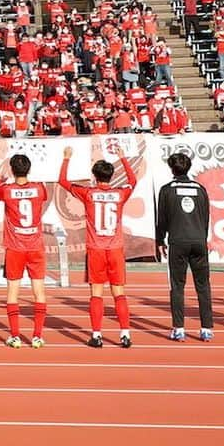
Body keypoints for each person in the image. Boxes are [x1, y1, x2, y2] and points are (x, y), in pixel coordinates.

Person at [59, 146, 137, 348]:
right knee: (119, 292)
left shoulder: (88, 193)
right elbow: (132, 181)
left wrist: (66, 158)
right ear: (111, 176)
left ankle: (96, 335)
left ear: (94, 176)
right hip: (115, 248)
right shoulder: (120, 194)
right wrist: (123, 158)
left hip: (96, 249)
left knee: (96, 293)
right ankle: (125, 334)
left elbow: (63, 181)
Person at [0, 153, 48, 348]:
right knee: (38, 292)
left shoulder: (7, 190)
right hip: (35, 246)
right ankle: (37, 335)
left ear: (13, 170)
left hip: (15, 247)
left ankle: (15, 335)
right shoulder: (39, 188)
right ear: (29, 169)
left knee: (12, 292)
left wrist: (2, 176)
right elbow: (44, 196)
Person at [155, 152, 213, 342]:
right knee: (203, 286)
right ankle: (206, 328)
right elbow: (206, 216)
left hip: (178, 241)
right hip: (198, 240)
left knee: (177, 286)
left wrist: (159, 239)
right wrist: (202, 237)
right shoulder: (200, 189)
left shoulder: (167, 189)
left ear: (172, 168)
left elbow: (161, 218)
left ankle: (179, 328)